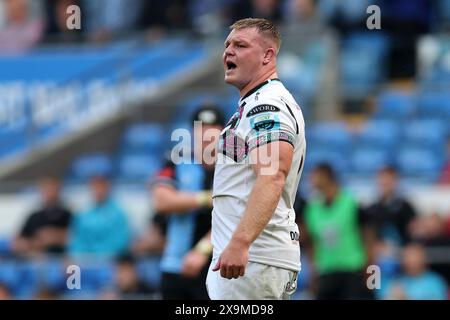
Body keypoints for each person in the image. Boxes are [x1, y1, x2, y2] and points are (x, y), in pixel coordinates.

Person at [207, 18, 306, 300]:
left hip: (254, 260)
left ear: (268, 56)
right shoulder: (253, 104)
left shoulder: (267, 105)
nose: (228, 52)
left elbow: (272, 175)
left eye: (240, 45)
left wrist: (240, 243)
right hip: (257, 260)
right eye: (227, 45)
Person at [152, 105, 225, 300]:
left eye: (212, 127)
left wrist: (202, 249)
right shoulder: (176, 160)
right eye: (201, 127)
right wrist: (207, 198)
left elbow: (236, 213)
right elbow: (162, 200)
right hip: (174, 265)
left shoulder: (230, 165)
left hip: (215, 267)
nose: (206, 133)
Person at [303, 163, 372, 300]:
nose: (311, 180)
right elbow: (312, 243)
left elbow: (368, 235)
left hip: (352, 270)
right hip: (326, 270)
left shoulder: (352, 203)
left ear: (326, 177)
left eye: (315, 176)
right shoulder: (312, 209)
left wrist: (370, 267)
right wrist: (313, 272)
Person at [68, 174, 131, 258]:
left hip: (110, 261)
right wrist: (79, 256)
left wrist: (98, 257)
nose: (98, 190)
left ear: (108, 188)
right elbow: (77, 240)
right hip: (84, 262)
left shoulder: (118, 214)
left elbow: (120, 241)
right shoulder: (83, 214)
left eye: (101, 187)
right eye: (95, 187)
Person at [13, 177, 72, 256]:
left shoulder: (68, 215)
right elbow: (18, 242)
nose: (50, 193)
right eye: (47, 190)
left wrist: (56, 237)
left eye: (53, 189)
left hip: (62, 259)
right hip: (37, 261)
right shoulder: (34, 217)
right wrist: (37, 242)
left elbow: (78, 239)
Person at [365, 166, 417, 247]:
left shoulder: (405, 207)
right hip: (378, 251)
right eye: (383, 181)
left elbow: (413, 231)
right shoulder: (371, 210)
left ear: (395, 182)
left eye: (388, 181)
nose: (385, 183)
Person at [382, 243, 448, 300]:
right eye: (407, 256)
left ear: (423, 258)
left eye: (414, 256)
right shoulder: (397, 282)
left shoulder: (435, 282)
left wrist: (406, 298)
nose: (410, 260)